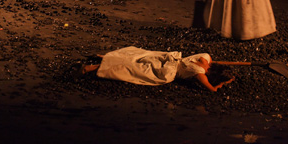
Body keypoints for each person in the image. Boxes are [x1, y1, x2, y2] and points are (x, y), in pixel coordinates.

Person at [81, 46, 235, 93]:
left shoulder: (205, 56)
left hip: (171, 58)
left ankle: (105, 57)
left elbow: (209, 61)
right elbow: (212, 90)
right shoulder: (200, 75)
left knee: (139, 57)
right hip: (169, 71)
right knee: (135, 69)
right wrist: (224, 83)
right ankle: (97, 67)